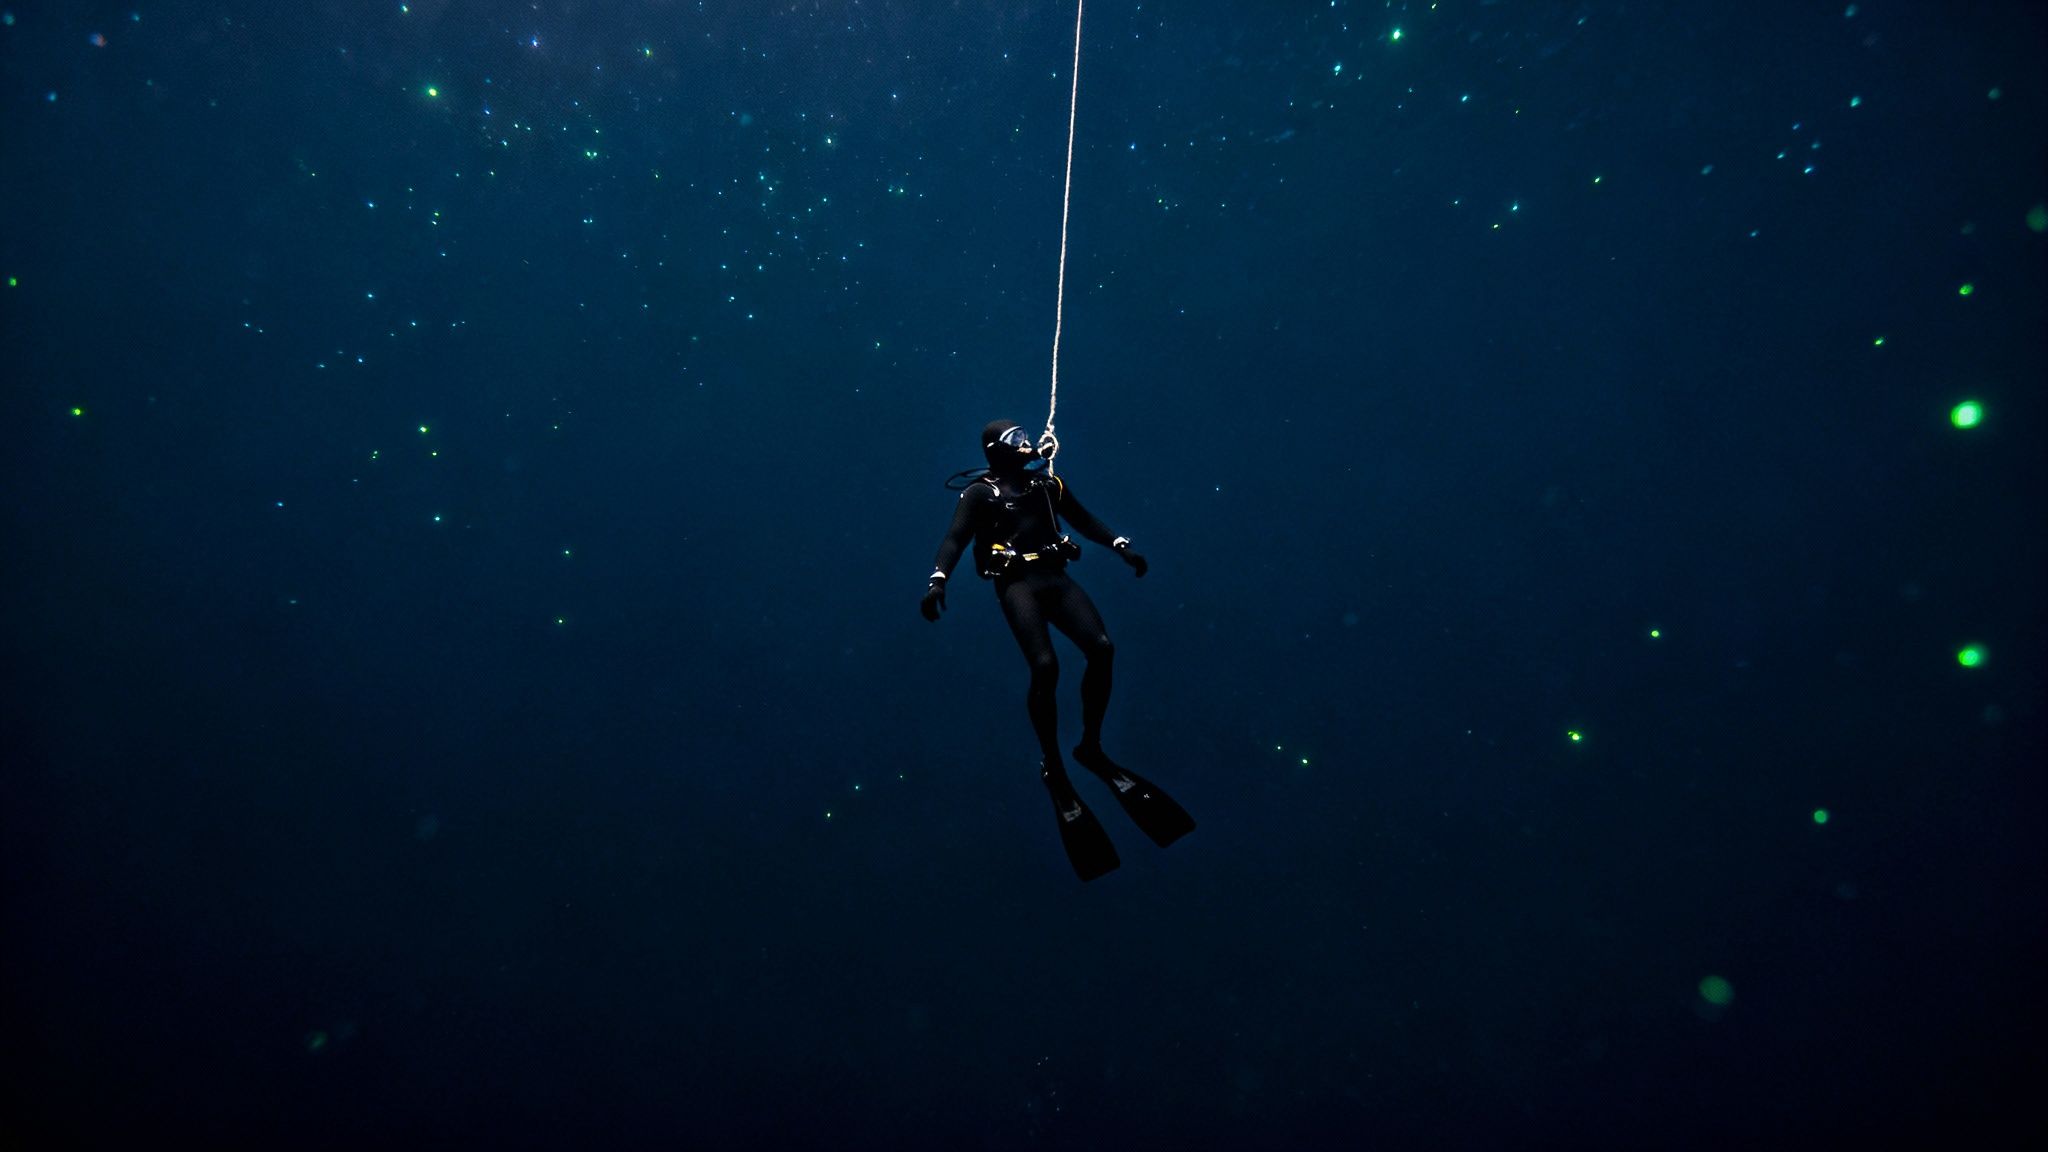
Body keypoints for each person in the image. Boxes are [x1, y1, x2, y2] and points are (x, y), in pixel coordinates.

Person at [921, 420, 1194, 880]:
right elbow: (955, 538)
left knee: (1102, 648)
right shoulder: (980, 494)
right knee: (1045, 667)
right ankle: (1054, 765)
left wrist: (1121, 546)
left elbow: (1083, 519)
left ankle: (1090, 747)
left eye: (1025, 435)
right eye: (1015, 439)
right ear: (996, 450)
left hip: (1055, 578)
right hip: (1017, 585)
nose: (1027, 442)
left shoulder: (1048, 485)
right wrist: (937, 580)